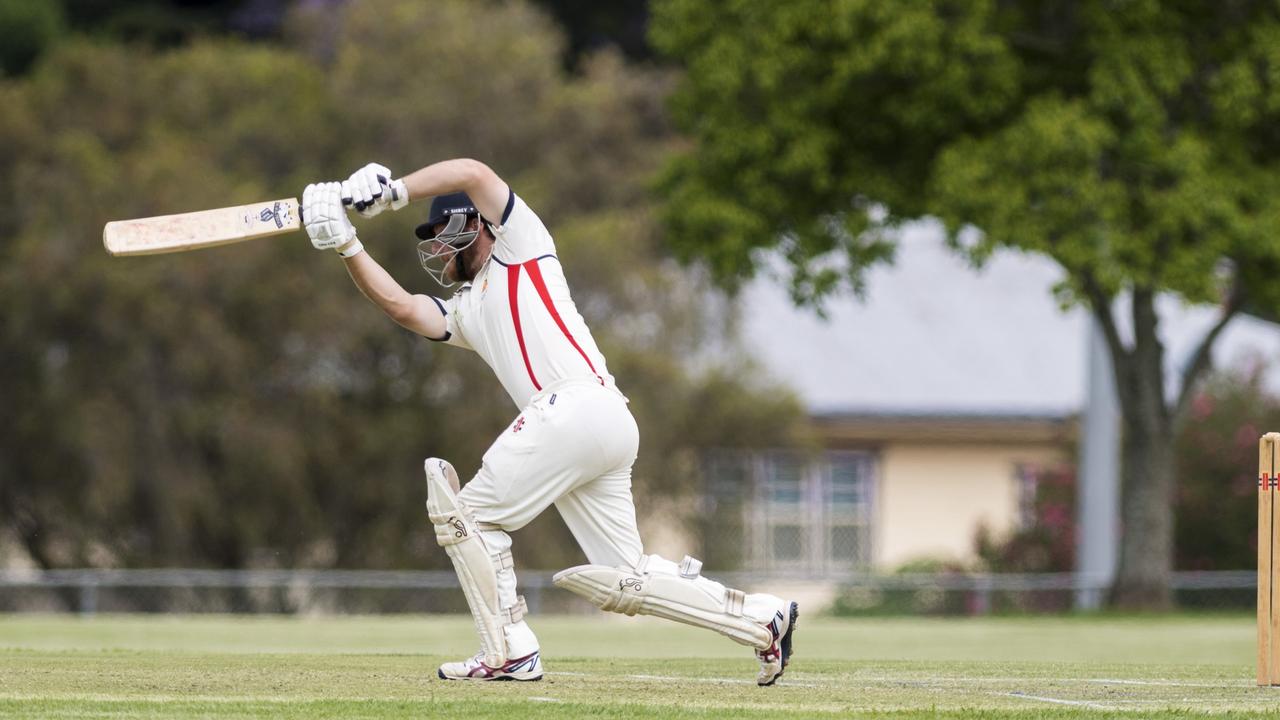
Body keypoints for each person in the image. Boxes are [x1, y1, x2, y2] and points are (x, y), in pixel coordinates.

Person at [300, 159, 798, 685]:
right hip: (600, 422)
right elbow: (404, 307)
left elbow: (472, 171)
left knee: (466, 515)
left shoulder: (523, 246)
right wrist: (347, 246)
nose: (439, 249)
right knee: (627, 579)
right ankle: (762, 617)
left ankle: (509, 650)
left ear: (480, 225)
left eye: (445, 232)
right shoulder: (468, 309)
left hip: (575, 408)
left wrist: (393, 192)